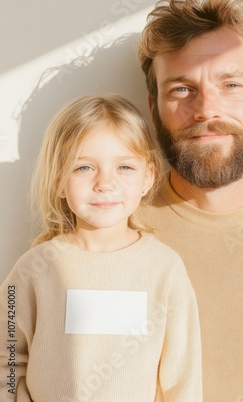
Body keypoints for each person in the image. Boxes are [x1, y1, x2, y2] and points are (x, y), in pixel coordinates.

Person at [0, 94, 202, 401]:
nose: (105, 184)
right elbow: (7, 360)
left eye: (124, 167)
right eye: (84, 168)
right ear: (58, 179)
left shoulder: (164, 268)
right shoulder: (33, 270)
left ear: (148, 176)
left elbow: (183, 376)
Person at [138, 0, 243, 401]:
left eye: (231, 84)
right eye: (182, 89)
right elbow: (17, 356)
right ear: (153, 106)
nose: (206, 110)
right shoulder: (107, 227)